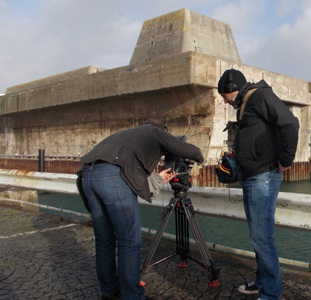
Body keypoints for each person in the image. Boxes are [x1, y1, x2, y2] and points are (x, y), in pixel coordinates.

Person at [77, 119, 204, 300]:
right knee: (129, 242)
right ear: (161, 130)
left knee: (104, 241)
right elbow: (189, 151)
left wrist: (158, 178)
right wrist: (199, 156)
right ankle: (132, 296)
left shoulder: (128, 136)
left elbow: (129, 166)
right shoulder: (154, 131)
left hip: (87, 176)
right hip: (112, 178)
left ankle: (109, 292)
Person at [217, 69, 299, 300]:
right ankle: (262, 282)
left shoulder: (260, 96)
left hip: (263, 176)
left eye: (224, 95)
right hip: (254, 176)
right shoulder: (248, 103)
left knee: (262, 237)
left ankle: (271, 293)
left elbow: (290, 124)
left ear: (232, 89)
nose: (224, 100)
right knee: (258, 236)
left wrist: (286, 161)